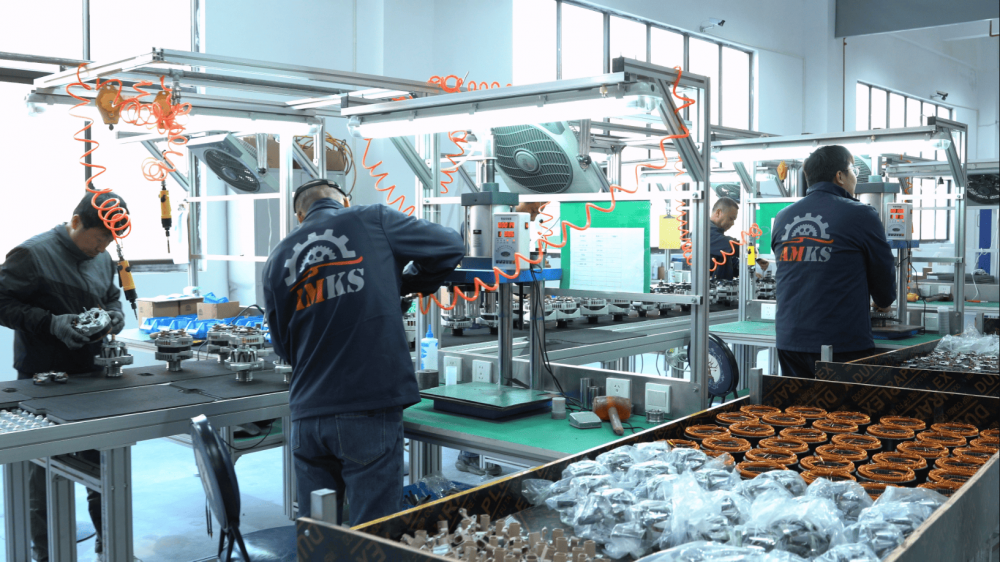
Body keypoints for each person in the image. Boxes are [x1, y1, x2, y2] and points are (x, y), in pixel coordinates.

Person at [262, 179, 464, 526]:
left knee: (317, 534)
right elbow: (450, 245)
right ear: (345, 201)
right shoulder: (373, 218)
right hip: (367, 406)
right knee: (374, 532)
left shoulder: (278, 257)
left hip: (307, 414)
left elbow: (283, 347)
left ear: (300, 215)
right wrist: (407, 281)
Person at [0, 191, 128, 562]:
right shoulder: (32, 254)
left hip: (91, 376)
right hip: (41, 376)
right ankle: (45, 555)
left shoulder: (101, 258)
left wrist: (114, 315)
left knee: (103, 465)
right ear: (75, 222)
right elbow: (3, 303)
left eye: (109, 240)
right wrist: (51, 323)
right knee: (40, 475)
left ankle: (111, 544)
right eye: (99, 237)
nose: (102, 247)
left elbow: (110, 297)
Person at [771, 145, 896, 379]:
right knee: (844, 414)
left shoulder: (783, 217)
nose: (855, 178)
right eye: (854, 171)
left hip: (790, 340)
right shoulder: (861, 214)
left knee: (797, 410)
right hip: (840, 342)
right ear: (840, 176)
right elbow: (882, 270)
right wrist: (884, 301)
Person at [454, 199, 548, 477]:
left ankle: (480, 453)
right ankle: (472, 453)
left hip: (512, 314)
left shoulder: (525, 224)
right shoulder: (480, 221)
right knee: (498, 386)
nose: (538, 213)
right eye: (535, 209)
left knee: (512, 384)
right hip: (494, 311)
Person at [709, 197, 768, 280]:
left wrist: (748, 272)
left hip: (723, 288)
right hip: (708, 289)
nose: (733, 223)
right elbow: (735, 246)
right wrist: (756, 256)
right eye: (731, 219)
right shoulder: (705, 233)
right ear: (718, 212)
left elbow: (730, 260)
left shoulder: (717, 235)